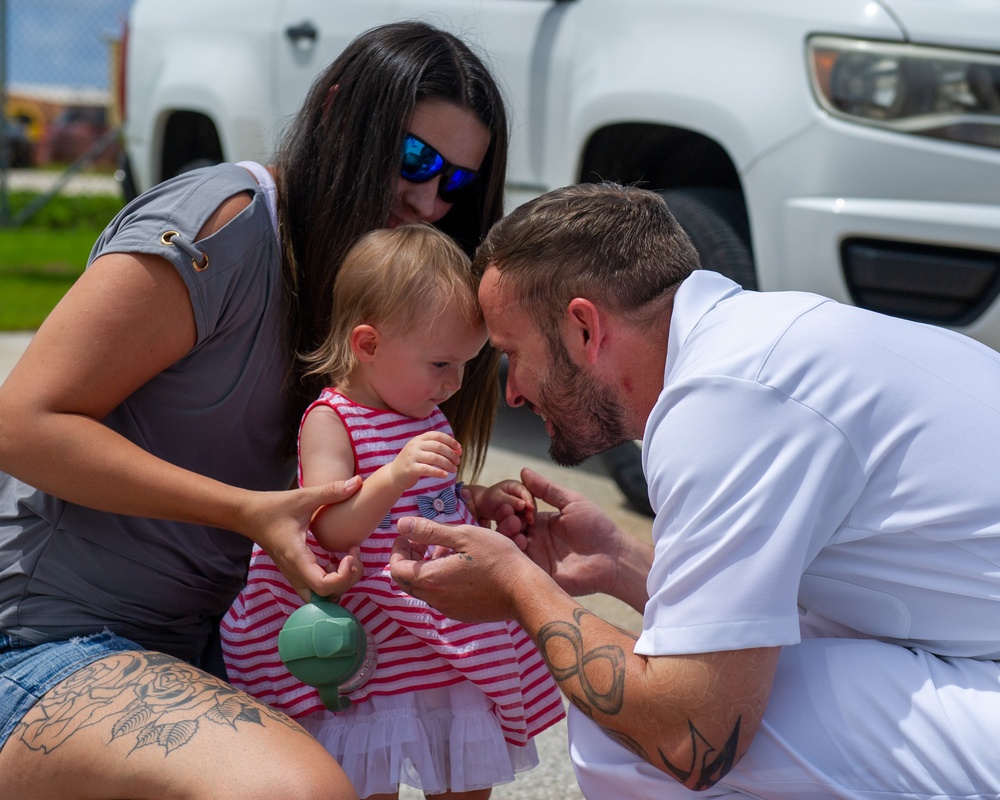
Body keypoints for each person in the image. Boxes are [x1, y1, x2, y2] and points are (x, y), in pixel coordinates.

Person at [0, 21, 509, 800]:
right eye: (414, 158)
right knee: (297, 789)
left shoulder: (376, 287)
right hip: (49, 642)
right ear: (338, 114)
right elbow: (23, 423)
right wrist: (248, 511)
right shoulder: (227, 222)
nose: (428, 200)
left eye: (457, 185)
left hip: (223, 653)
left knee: (447, 737)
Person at [389, 182, 1000, 799]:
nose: (512, 390)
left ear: (582, 329)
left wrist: (520, 588)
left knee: (627, 727)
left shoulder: (725, 399)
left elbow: (693, 737)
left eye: (509, 354)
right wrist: (622, 564)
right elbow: (767, 616)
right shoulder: (754, 346)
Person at [222, 225, 565, 800]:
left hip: (441, 637)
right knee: (368, 772)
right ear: (368, 345)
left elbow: (431, 496)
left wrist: (477, 498)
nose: (454, 383)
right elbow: (329, 526)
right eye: (440, 364)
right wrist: (395, 473)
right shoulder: (332, 419)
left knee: (463, 770)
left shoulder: (422, 410)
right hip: (379, 642)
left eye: (465, 365)